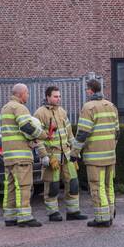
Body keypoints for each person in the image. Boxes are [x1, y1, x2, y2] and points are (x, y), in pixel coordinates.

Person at [34, 86, 87, 222]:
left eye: (59, 96)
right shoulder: (40, 114)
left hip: (67, 155)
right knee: (53, 186)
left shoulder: (62, 112)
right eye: (55, 96)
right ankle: (53, 213)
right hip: (53, 157)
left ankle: (73, 211)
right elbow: (37, 138)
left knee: (73, 183)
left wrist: (75, 152)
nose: (58, 99)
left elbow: (69, 134)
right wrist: (44, 156)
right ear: (48, 97)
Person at [71, 79, 119, 228]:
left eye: (87, 89)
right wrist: (111, 147)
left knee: (97, 186)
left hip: (94, 157)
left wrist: (74, 152)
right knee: (108, 185)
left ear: (90, 90)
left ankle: (102, 218)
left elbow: (82, 134)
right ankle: (110, 214)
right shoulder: (111, 106)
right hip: (110, 155)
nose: (86, 92)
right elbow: (117, 132)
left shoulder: (89, 107)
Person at [0, 83, 47, 227]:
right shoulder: (20, 107)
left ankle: (10, 216)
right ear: (21, 94)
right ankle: (24, 217)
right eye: (27, 93)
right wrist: (43, 135)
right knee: (24, 186)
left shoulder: (5, 108)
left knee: (11, 187)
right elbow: (26, 126)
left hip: (9, 156)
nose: (28, 96)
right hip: (21, 156)